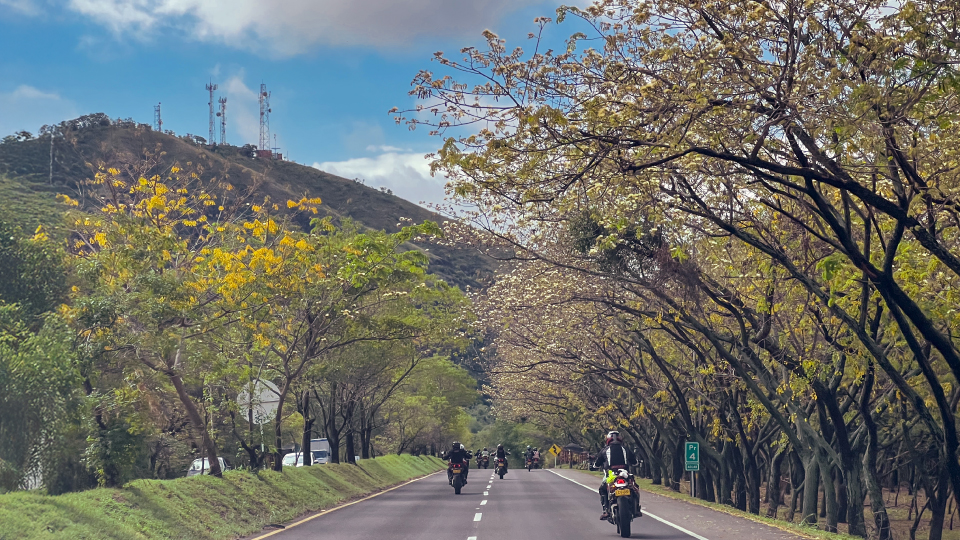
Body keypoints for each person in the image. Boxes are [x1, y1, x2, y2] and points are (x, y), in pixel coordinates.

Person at [592, 430, 639, 520]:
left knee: (602, 489)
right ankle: (636, 508)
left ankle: (606, 511)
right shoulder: (625, 449)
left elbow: (597, 464)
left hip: (611, 476)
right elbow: (634, 462)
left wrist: (594, 466)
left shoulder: (604, 450)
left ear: (608, 439)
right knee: (634, 488)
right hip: (625, 475)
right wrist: (636, 463)